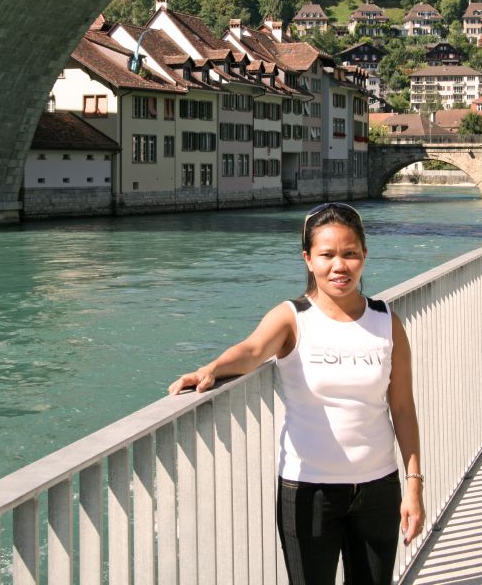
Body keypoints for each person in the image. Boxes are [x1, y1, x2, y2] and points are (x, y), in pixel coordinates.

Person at [169, 202, 425, 584]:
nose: (339, 266)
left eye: (350, 254)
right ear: (308, 259)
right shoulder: (293, 317)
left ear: (364, 256)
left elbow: (402, 407)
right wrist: (211, 368)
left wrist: (414, 487)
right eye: (327, 255)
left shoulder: (387, 321)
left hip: (378, 489)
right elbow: (252, 350)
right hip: (308, 491)